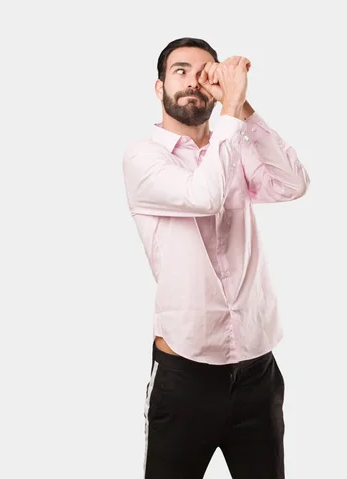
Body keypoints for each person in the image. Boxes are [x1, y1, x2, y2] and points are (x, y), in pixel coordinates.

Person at [122, 37, 310, 478]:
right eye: (181, 71)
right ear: (159, 87)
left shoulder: (233, 143)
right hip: (185, 375)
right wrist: (229, 116)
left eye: (207, 72)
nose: (193, 81)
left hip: (256, 372)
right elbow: (202, 196)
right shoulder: (142, 157)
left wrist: (243, 109)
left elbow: (293, 185)